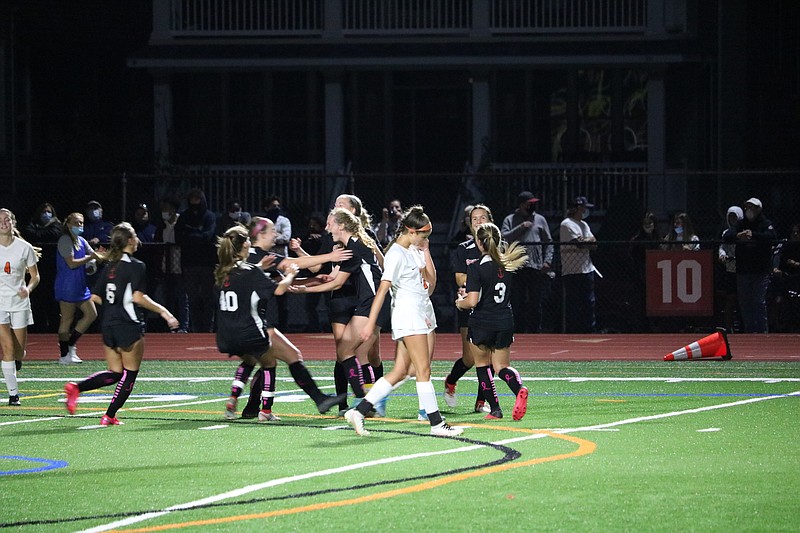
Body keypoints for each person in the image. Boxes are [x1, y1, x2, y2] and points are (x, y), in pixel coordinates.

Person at [347, 205, 464, 437]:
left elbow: (429, 285)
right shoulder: (396, 254)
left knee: (401, 371)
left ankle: (358, 411)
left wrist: (424, 251)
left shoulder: (411, 250)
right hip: (409, 315)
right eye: (422, 235)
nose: (424, 240)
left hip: (419, 312)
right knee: (423, 369)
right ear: (411, 231)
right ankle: (437, 423)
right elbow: (382, 290)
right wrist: (370, 323)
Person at [214, 225, 344, 421]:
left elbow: (276, 283)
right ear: (258, 235)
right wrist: (329, 257)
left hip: (231, 328)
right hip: (255, 323)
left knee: (252, 361)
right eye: (271, 230)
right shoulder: (259, 256)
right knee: (279, 359)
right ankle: (284, 406)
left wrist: (312, 281)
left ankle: (246, 405)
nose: (276, 234)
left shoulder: (235, 267)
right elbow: (292, 268)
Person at [63, 222, 179, 425]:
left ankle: (76, 388)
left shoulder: (110, 267)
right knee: (130, 374)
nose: (137, 240)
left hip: (108, 325)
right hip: (128, 324)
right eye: (134, 236)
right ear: (130, 240)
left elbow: (96, 298)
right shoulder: (136, 266)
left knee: (115, 372)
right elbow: (138, 298)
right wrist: (165, 312)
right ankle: (109, 415)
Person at [289, 208, 387, 415]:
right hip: (373, 303)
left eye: (331, 223)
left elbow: (334, 284)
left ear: (341, 225)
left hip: (372, 303)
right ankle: (365, 403)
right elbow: (337, 281)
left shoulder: (355, 247)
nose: (327, 227)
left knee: (346, 351)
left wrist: (303, 289)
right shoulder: (354, 246)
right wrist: (305, 288)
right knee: (350, 352)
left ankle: (365, 402)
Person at [455, 222, 529, 420]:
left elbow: (472, 301)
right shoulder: (508, 265)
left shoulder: (476, 268)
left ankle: (495, 409)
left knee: (482, 365)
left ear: (479, 243)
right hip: (504, 320)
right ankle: (519, 388)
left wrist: (459, 302)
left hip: (482, 322)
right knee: (501, 367)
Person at [444, 204, 494, 413]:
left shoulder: (498, 246)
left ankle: (481, 402)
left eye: (483, 218)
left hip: (492, 306)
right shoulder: (464, 248)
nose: (479, 222)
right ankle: (450, 381)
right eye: (475, 219)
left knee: (489, 357)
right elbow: (459, 278)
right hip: (470, 305)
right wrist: (482, 279)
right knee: (470, 358)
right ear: (470, 223)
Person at [0, 208, 40, 406]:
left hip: (19, 303)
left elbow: (35, 276)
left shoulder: (24, 248)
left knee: (18, 352)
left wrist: (29, 288)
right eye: (0, 220)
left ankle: (17, 360)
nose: (3, 223)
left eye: (7, 219)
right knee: (6, 349)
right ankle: (13, 395)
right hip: (0, 303)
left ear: (13, 223)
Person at [55, 212, 105, 364]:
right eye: (76, 223)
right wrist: (92, 257)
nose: (79, 225)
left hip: (80, 285)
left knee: (91, 314)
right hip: (67, 285)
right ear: (68, 224)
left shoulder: (82, 240)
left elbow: (95, 255)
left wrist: (102, 257)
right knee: (67, 320)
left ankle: (71, 345)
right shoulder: (65, 240)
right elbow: (72, 263)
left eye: (81, 223)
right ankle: (64, 355)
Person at [501, 191, 553, 333]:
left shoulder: (540, 219)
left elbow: (548, 241)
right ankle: (517, 330)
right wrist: (522, 226)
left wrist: (547, 261)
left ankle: (535, 331)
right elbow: (504, 237)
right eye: (529, 204)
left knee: (535, 301)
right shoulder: (510, 219)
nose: (532, 206)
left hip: (535, 266)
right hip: (517, 266)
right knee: (517, 301)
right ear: (522, 204)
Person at [723, 198, 777, 333]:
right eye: (747, 208)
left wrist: (754, 235)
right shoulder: (741, 224)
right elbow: (727, 236)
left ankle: (762, 330)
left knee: (758, 302)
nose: (749, 211)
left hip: (760, 270)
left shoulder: (765, 224)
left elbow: (771, 236)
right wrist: (738, 235)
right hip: (743, 269)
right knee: (745, 302)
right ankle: (749, 330)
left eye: (752, 208)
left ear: (759, 209)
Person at [175, 188, 217, 332]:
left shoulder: (209, 216)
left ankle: (207, 328)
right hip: (189, 262)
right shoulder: (184, 216)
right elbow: (179, 237)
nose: (194, 203)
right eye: (192, 200)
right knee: (192, 298)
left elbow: (208, 236)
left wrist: (191, 233)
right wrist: (198, 233)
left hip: (207, 263)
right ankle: (196, 328)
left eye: (197, 200)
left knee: (208, 297)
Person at [559, 196, 599, 333]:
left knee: (589, 303)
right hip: (572, 270)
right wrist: (586, 241)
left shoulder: (584, 224)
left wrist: (587, 241)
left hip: (586, 268)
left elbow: (593, 243)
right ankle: (573, 331)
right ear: (577, 208)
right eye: (583, 208)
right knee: (573, 304)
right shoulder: (567, 223)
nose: (585, 210)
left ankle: (589, 330)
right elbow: (579, 243)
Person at [154, 197, 188, 332]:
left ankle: (184, 326)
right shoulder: (161, 226)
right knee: (168, 297)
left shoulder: (181, 223)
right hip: (165, 266)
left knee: (182, 297)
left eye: (167, 209)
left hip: (179, 265)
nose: (164, 212)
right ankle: (170, 326)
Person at [263, 195, 291, 330]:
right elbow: (256, 239)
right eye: (273, 206)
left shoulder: (284, 221)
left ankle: (284, 327)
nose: (276, 209)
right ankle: (262, 324)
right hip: (266, 263)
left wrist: (270, 239)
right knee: (263, 297)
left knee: (282, 300)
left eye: (278, 206)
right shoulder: (262, 223)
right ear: (266, 208)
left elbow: (286, 238)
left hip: (280, 263)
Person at [717, 206, 744, 332]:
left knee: (743, 299)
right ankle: (729, 327)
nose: (732, 219)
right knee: (730, 298)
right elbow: (722, 246)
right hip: (730, 267)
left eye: (735, 216)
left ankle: (744, 325)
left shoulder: (745, 231)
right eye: (730, 216)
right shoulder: (726, 233)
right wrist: (722, 255)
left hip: (743, 268)